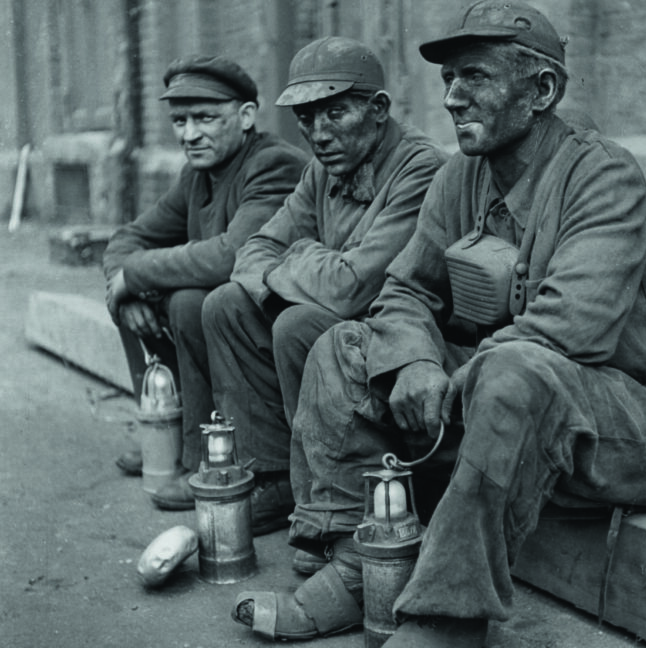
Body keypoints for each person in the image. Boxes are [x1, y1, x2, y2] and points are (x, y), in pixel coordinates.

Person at [230, 1, 646, 648]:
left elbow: (568, 328)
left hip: (642, 428)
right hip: (513, 401)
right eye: (450, 77)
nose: (452, 95)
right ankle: (355, 560)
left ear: (542, 92)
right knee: (343, 343)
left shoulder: (602, 174)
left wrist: (451, 377)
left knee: (513, 369)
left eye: (476, 77)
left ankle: (446, 619)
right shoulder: (462, 177)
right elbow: (401, 292)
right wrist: (418, 362)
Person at [154, 37, 447, 536]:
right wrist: (310, 264)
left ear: (378, 109)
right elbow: (251, 254)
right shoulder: (322, 170)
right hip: (335, 323)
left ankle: (327, 498)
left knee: (298, 321)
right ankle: (270, 476)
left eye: (335, 113)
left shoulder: (420, 167)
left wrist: (298, 258)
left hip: (396, 342)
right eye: (307, 119)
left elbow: (353, 289)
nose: (318, 133)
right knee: (225, 304)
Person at [103, 54, 308, 499]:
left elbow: (231, 256)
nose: (189, 134)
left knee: (188, 301)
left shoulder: (275, 164)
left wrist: (134, 274)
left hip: (268, 334)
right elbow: (129, 237)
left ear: (247, 115)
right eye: (179, 121)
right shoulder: (198, 174)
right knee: (133, 300)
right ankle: (168, 440)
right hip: (223, 326)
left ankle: (200, 461)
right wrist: (128, 287)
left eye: (205, 118)